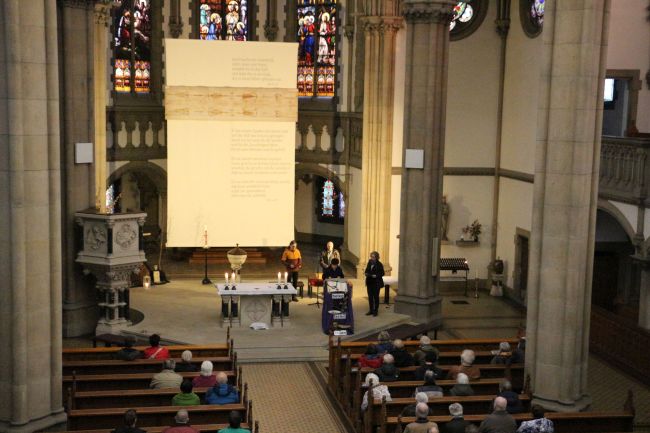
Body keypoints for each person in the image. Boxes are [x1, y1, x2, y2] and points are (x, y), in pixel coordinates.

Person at [364, 251, 385, 316]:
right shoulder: (369, 262)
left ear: (377, 257)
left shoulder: (379, 264)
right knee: (370, 297)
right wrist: (366, 273)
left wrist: (376, 276)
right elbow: (367, 270)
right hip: (369, 282)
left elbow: (382, 273)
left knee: (376, 297)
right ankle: (371, 310)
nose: (372, 258)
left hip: (376, 283)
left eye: (373, 257)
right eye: (371, 257)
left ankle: (376, 311)